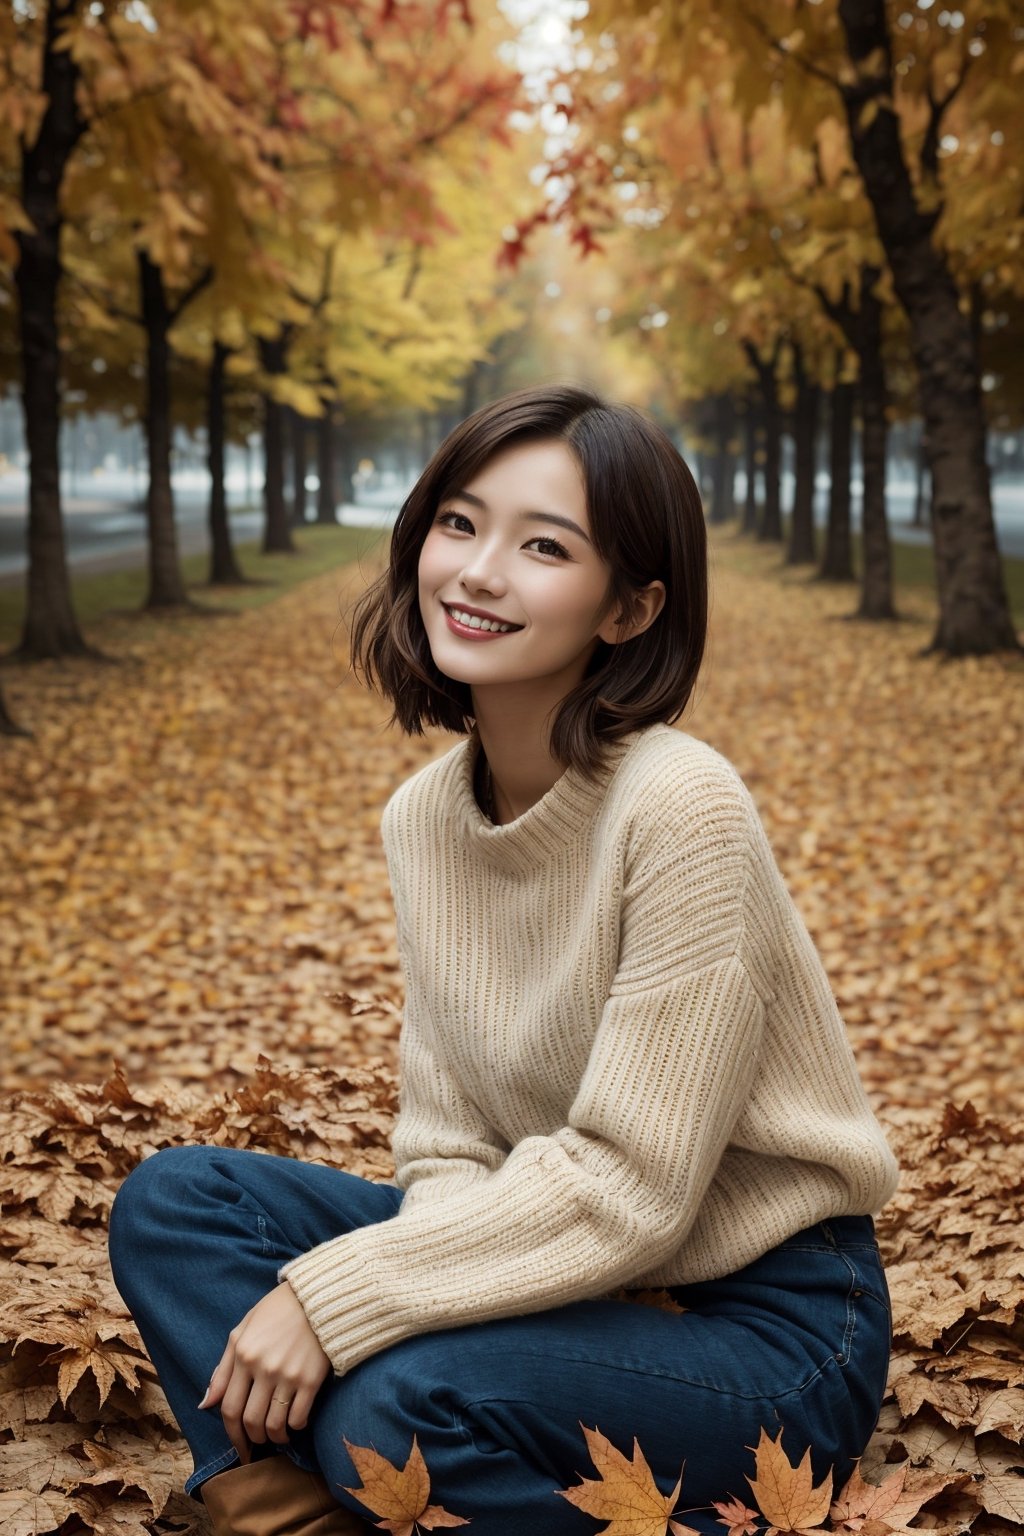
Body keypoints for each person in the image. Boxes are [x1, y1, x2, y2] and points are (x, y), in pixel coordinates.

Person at [108, 385, 900, 1536]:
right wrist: (414, 1293)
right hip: (562, 1272)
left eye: (543, 547)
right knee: (179, 1203)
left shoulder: (680, 806)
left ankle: (327, 1483)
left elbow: (632, 1186)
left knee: (391, 1403)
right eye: (459, 523)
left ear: (628, 609)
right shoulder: (425, 818)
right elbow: (448, 1142)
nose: (478, 572)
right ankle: (305, 1510)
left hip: (759, 1323)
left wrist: (343, 1303)